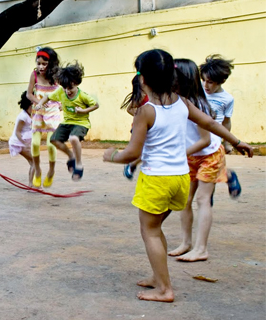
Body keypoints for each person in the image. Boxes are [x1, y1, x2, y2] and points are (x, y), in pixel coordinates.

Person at [102, 49, 252, 302]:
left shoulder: (146, 112)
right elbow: (212, 124)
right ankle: (158, 277)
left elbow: (131, 153)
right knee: (155, 228)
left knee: (148, 231)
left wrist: (111, 156)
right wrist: (238, 142)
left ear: (142, 78)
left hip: (157, 180)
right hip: (181, 178)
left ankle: (165, 289)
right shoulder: (181, 102)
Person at [167, 59, 228, 262]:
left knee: (203, 199)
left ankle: (201, 248)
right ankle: (186, 243)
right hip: (191, 155)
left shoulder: (198, 103)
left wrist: (180, 153)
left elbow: (205, 140)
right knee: (185, 201)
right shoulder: (176, 101)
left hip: (209, 155)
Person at [38, 62, 99, 181]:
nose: (67, 91)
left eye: (70, 88)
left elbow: (95, 105)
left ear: (76, 83)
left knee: (74, 138)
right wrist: (40, 103)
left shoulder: (83, 96)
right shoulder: (61, 92)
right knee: (54, 140)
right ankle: (71, 156)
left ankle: (79, 164)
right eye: (65, 88)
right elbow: (47, 96)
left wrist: (83, 111)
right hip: (66, 123)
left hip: (81, 123)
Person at [200, 54, 242, 199]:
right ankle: (227, 176)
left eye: (210, 82)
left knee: (208, 172)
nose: (206, 85)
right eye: (204, 80)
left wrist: (227, 142)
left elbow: (226, 122)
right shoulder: (197, 90)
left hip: (213, 140)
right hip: (196, 137)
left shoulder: (227, 99)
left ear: (221, 81)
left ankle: (226, 178)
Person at [26, 47, 61, 188]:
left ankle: (51, 171)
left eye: (44, 64)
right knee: (35, 144)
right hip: (39, 110)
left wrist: (62, 105)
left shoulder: (57, 75)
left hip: (52, 111)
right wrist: (37, 102)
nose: (40, 66)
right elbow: (29, 94)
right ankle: (38, 170)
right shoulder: (34, 74)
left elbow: (65, 92)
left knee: (51, 144)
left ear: (51, 63)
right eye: (38, 63)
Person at [120, 75, 147, 180]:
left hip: (149, 128)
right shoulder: (141, 96)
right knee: (144, 151)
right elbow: (129, 109)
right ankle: (131, 165)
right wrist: (141, 117)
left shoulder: (152, 95)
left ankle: (132, 165)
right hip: (140, 128)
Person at [8, 91, 34, 186]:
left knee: (32, 162)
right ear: (28, 105)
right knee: (34, 162)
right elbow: (17, 132)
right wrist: (25, 144)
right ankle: (31, 185)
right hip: (18, 143)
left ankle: (31, 184)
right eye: (33, 105)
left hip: (21, 142)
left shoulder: (28, 115)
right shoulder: (23, 117)